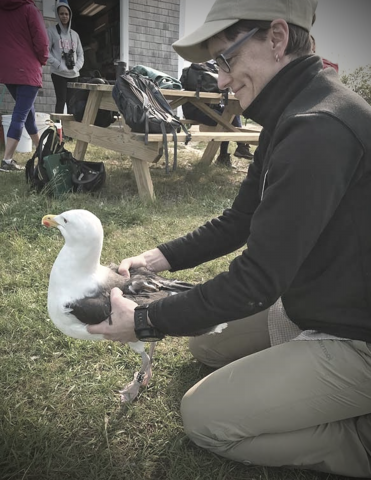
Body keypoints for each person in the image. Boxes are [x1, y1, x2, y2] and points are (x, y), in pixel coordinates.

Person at [87, 0, 371, 477]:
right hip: (319, 301)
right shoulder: (291, 112)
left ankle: (359, 439)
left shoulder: (319, 128)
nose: (220, 81)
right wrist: (157, 259)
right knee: (205, 346)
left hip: (357, 334)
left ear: (277, 39)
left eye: (226, 60)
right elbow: (240, 220)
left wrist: (145, 321)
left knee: (205, 419)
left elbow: (256, 281)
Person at [0, 0, 49, 172]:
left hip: (7, 71)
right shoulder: (29, 9)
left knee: (28, 112)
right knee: (20, 114)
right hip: (27, 70)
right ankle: (7, 160)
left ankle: (41, 150)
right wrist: (43, 59)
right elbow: (42, 40)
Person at [182, 61, 253, 168]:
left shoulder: (210, 71)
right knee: (226, 119)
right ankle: (236, 149)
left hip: (209, 109)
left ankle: (235, 150)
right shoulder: (193, 72)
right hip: (196, 111)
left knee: (231, 113)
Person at [47, 0, 84, 113]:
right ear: (57, 15)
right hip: (58, 73)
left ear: (70, 15)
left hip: (73, 74)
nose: (64, 16)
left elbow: (80, 54)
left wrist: (76, 68)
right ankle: (58, 129)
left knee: (72, 103)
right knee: (61, 101)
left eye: (66, 14)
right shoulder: (51, 31)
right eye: (61, 14)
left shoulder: (75, 34)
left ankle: (70, 130)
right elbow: (46, 52)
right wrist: (58, 65)